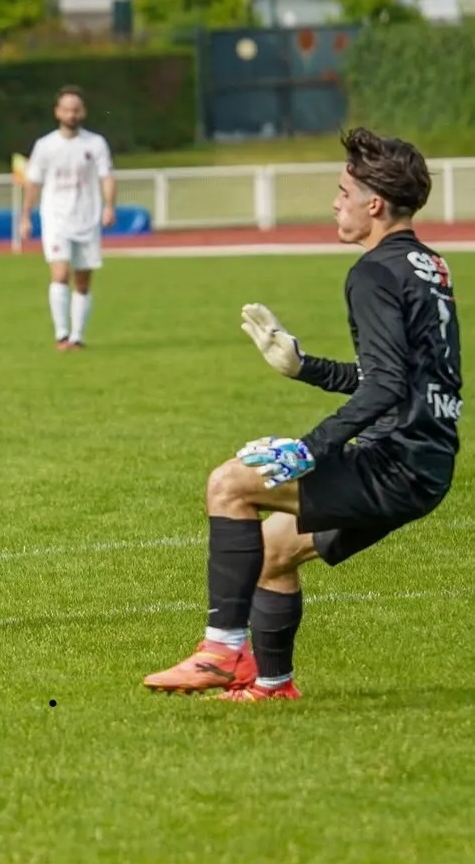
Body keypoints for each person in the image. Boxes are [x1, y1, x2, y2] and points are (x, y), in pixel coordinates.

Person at [143, 128, 461, 701]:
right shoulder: (426, 265)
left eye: (343, 191)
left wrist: (309, 450)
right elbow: (397, 377)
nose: (334, 203)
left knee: (229, 486)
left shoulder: (373, 272)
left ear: (374, 204)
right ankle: (271, 686)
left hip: (398, 464)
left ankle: (219, 651)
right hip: (424, 461)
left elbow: (386, 386)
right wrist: (304, 367)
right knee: (270, 551)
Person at [19, 86, 117, 350]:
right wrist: (25, 217)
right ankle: (61, 335)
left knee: (83, 281)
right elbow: (32, 183)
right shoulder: (45, 146)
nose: (71, 114)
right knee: (60, 273)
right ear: (57, 112)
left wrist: (109, 206)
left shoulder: (95, 144)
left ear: (82, 112)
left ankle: (77, 336)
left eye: (75, 109)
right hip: (56, 218)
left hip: (87, 218)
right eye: (66, 109)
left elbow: (106, 176)